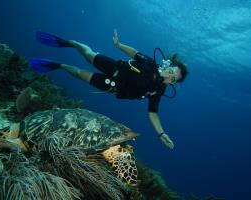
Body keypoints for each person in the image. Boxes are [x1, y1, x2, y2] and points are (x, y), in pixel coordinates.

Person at [29, 30, 188, 149]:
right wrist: (119, 45)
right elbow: (134, 53)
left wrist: (161, 133)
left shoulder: (157, 91)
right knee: (87, 52)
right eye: (171, 71)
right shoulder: (151, 63)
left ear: (173, 83)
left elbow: (153, 113)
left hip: (111, 86)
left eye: (173, 79)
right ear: (169, 65)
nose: (169, 76)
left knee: (78, 74)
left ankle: (59, 65)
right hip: (113, 67)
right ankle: (71, 43)